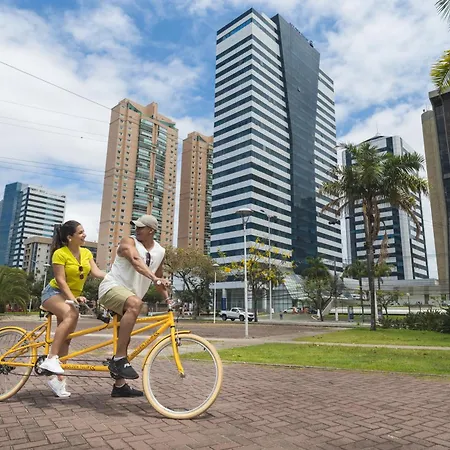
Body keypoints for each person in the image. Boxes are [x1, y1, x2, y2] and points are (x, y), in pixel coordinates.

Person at [98, 214, 170, 398]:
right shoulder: (128, 242)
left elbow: (158, 277)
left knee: (125, 338)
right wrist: (154, 278)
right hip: (111, 289)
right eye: (136, 226)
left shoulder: (160, 252)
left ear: (151, 231)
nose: (136, 230)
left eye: (140, 227)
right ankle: (119, 359)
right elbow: (137, 262)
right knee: (135, 303)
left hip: (129, 298)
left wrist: (168, 299)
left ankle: (119, 386)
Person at [39, 220, 106, 397]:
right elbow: (60, 280)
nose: (84, 235)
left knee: (67, 340)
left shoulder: (86, 253)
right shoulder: (60, 254)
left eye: (84, 231)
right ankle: (51, 358)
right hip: (53, 293)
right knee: (72, 315)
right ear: (70, 237)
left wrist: (113, 276)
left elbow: (96, 272)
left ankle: (58, 380)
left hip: (69, 297)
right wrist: (73, 298)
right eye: (81, 232)